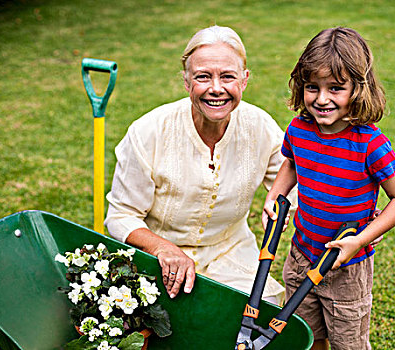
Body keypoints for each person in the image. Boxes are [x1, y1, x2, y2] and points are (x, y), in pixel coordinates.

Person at [105, 25, 291, 304]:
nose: (216, 89)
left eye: (228, 77)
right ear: (186, 81)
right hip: (157, 256)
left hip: (230, 251)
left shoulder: (260, 126)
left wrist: (289, 205)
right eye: (203, 77)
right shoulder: (149, 131)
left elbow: (299, 182)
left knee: (258, 316)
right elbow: (120, 217)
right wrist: (162, 248)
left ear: (244, 80)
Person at [262, 27, 395, 349]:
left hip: (347, 267)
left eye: (336, 88)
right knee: (306, 335)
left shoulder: (370, 143)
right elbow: (290, 163)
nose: (321, 99)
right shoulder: (299, 128)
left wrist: (359, 240)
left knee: (349, 343)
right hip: (301, 256)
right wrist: (275, 196)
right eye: (312, 87)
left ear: (358, 89)